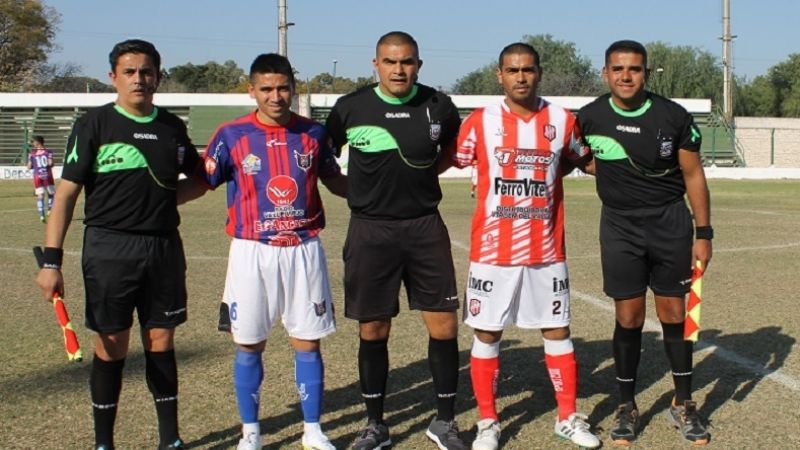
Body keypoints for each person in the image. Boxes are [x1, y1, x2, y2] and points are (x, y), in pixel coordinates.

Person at [35, 39, 201, 450]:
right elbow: (67, 194)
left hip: (163, 248)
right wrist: (51, 261)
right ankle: (103, 442)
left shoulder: (172, 127)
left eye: (147, 72)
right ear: (113, 77)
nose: (139, 79)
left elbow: (200, 178)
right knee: (111, 343)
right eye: (130, 72)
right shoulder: (94, 125)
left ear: (158, 77)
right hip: (110, 249)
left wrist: (165, 202)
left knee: (161, 341)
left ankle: (170, 439)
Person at [187, 53, 347, 450]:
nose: (276, 97)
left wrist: (382, 191)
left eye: (283, 88)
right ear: (252, 90)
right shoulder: (231, 135)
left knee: (308, 341)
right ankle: (251, 432)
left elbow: (335, 180)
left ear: (293, 88)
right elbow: (203, 182)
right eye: (267, 89)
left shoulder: (313, 133)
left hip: (303, 249)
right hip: (250, 252)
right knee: (248, 343)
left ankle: (312, 430)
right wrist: (153, 203)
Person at [452, 43, 600, 450]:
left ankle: (567, 417)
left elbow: (581, 158)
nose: (521, 77)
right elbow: (458, 160)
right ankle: (487, 422)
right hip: (491, 250)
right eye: (512, 70)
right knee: (487, 333)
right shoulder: (479, 122)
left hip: (546, 249)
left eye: (528, 70)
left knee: (558, 330)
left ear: (539, 73)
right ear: (499, 74)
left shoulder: (561, 120)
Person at [325, 31, 467, 450]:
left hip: (425, 226)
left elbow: (448, 152)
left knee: (443, 325)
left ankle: (444, 422)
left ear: (419, 65)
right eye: (390, 61)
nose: (398, 69)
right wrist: (356, 193)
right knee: (373, 329)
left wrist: (419, 181)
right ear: (376, 64)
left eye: (407, 62)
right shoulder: (350, 107)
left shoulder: (439, 106)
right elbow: (321, 161)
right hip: (370, 230)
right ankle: (374, 424)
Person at [577, 40, 712, 446]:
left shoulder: (672, 116)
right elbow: (575, 156)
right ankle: (626, 406)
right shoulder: (589, 117)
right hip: (619, 226)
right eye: (617, 69)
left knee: (673, 312)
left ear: (646, 73)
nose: (625, 76)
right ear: (605, 73)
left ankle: (683, 402)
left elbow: (693, 176)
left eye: (634, 69)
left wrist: (704, 233)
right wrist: (612, 173)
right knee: (629, 316)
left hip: (670, 223)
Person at [27, 135, 55, 222]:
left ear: (37, 142)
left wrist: (33, 165)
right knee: (51, 194)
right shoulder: (48, 152)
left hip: (37, 177)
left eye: (33, 142)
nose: (32, 144)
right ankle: (50, 210)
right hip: (47, 176)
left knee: (40, 195)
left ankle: (41, 215)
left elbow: (29, 166)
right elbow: (50, 163)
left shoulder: (32, 153)